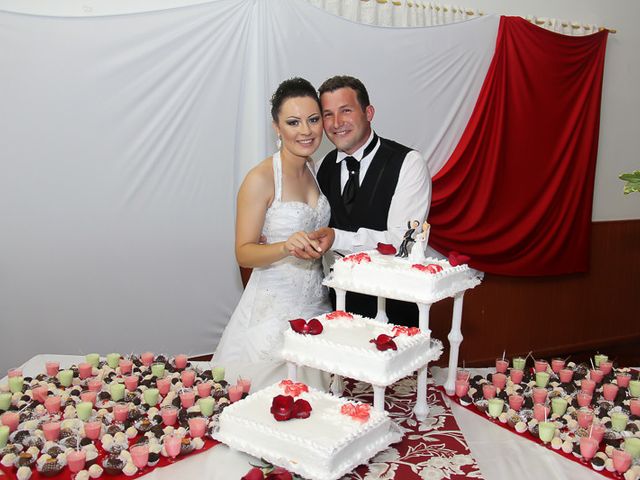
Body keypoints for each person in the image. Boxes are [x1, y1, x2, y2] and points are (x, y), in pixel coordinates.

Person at [212, 78, 331, 390]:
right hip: (273, 310)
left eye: (313, 119)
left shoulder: (314, 169)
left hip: (316, 304)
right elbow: (243, 251)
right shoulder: (261, 178)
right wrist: (284, 247)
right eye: (293, 122)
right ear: (277, 128)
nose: (306, 131)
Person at [294, 75, 431, 327]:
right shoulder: (322, 168)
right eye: (327, 115)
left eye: (346, 111)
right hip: (336, 308)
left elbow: (402, 243)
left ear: (368, 112)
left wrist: (337, 237)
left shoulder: (408, 163)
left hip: (393, 313)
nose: (337, 123)